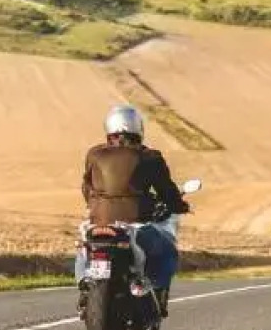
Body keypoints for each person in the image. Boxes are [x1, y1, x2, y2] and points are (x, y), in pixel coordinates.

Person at [77, 104, 189, 315]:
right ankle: (149, 285)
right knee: (167, 252)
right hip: (136, 223)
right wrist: (179, 205)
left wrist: (93, 206)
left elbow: (87, 186)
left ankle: (84, 282)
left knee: (85, 248)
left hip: (99, 221)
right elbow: (167, 191)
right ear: (138, 129)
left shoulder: (94, 154)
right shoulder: (150, 157)